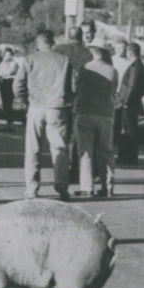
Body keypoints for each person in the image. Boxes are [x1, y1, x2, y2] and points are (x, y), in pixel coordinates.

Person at [14, 29, 73, 201]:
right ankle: (62, 188)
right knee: (60, 148)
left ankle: (32, 189)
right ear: (52, 42)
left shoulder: (30, 59)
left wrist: (22, 99)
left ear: (38, 44)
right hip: (57, 107)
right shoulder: (64, 60)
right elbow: (73, 85)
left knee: (33, 149)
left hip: (36, 106)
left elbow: (19, 83)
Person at [73, 39, 118, 197]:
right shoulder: (112, 70)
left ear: (92, 52)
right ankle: (108, 186)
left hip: (85, 112)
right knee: (106, 151)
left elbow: (75, 87)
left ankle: (87, 186)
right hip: (106, 113)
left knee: (85, 152)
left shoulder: (84, 68)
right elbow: (113, 91)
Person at [54, 26, 92, 183]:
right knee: (77, 136)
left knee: (61, 134)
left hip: (61, 97)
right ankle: (75, 169)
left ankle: (61, 169)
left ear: (67, 36)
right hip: (81, 98)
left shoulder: (59, 49)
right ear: (81, 37)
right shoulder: (87, 53)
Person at [115, 42, 144, 165]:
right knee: (129, 130)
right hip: (133, 102)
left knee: (128, 130)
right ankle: (127, 156)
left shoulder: (135, 67)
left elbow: (131, 85)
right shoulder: (141, 66)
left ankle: (128, 157)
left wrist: (126, 101)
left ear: (130, 52)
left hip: (128, 104)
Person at [0, 47, 20, 128]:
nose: (8, 56)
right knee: (5, 103)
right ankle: (8, 123)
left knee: (9, 103)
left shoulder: (14, 63)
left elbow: (10, 71)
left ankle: (10, 123)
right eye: (6, 54)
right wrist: (4, 72)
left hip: (10, 83)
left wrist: (4, 72)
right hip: (3, 83)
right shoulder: (2, 63)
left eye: (9, 54)